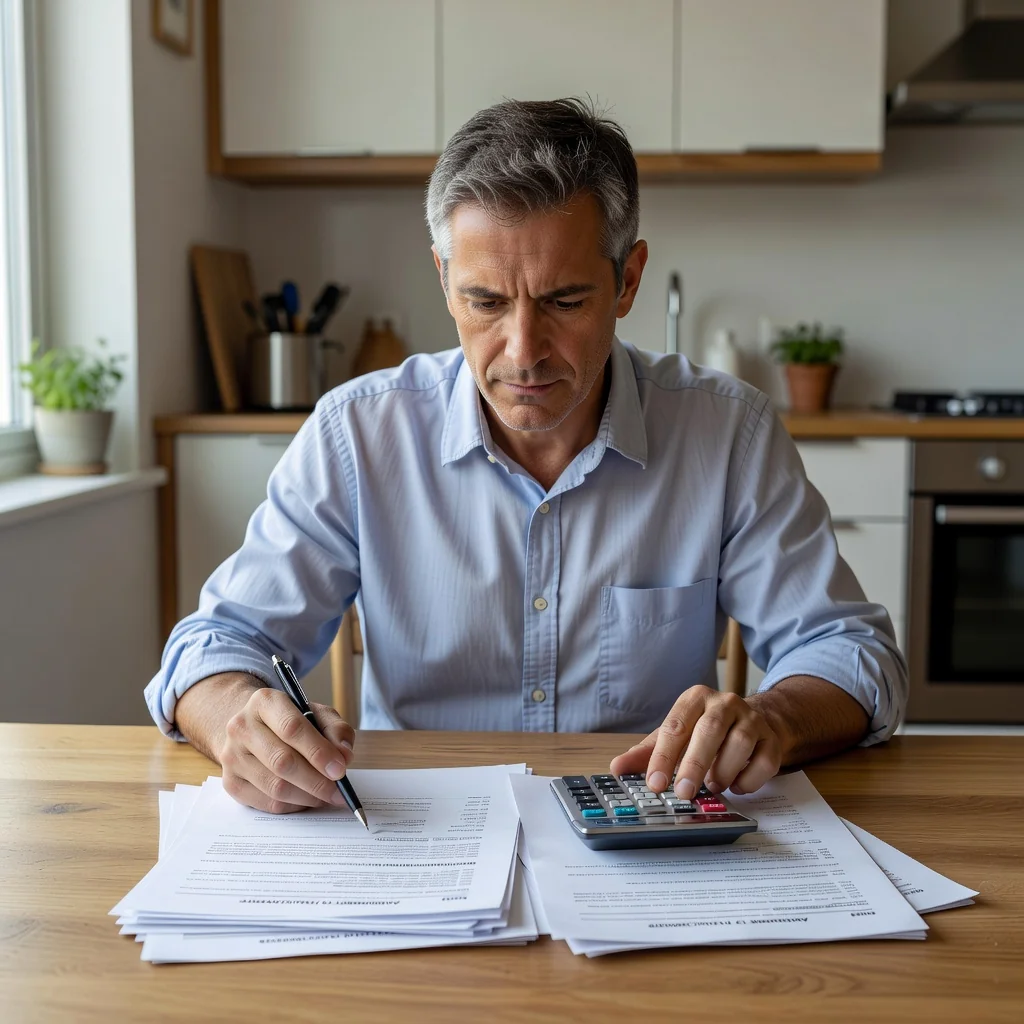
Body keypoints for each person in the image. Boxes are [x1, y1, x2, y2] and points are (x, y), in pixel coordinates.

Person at [147, 98, 906, 814]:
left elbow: (850, 652)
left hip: (645, 833)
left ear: (628, 281)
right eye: (485, 301)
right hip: (422, 836)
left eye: (565, 301)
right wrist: (238, 718)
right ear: (445, 281)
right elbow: (211, 649)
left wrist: (771, 717)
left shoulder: (726, 433)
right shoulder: (358, 435)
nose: (523, 352)